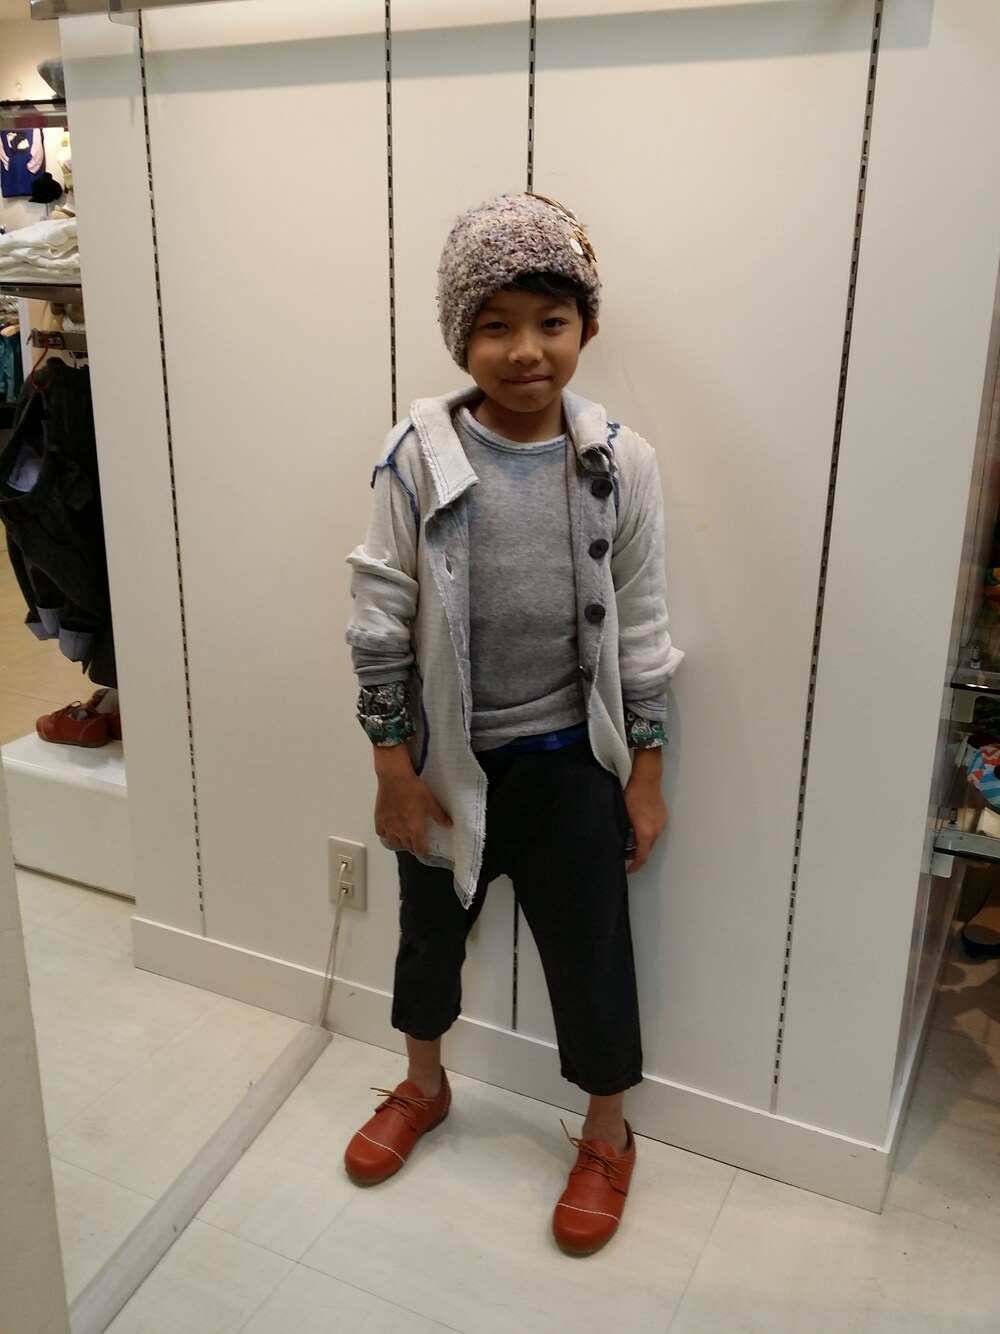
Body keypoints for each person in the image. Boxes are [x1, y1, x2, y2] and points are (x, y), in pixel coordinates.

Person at [343, 193, 683, 1255]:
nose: (525, 349)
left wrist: (645, 773)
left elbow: (643, 627)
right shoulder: (416, 455)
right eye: (494, 325)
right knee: (426, 942)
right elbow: (377, 616)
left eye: (550, 321)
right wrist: (394, 768)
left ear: (587, 327)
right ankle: (423, 1083)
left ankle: (607, 1135)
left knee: (591, 954)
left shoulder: (618, 463)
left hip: (570, 762)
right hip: (446, 764)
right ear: (461, 337)